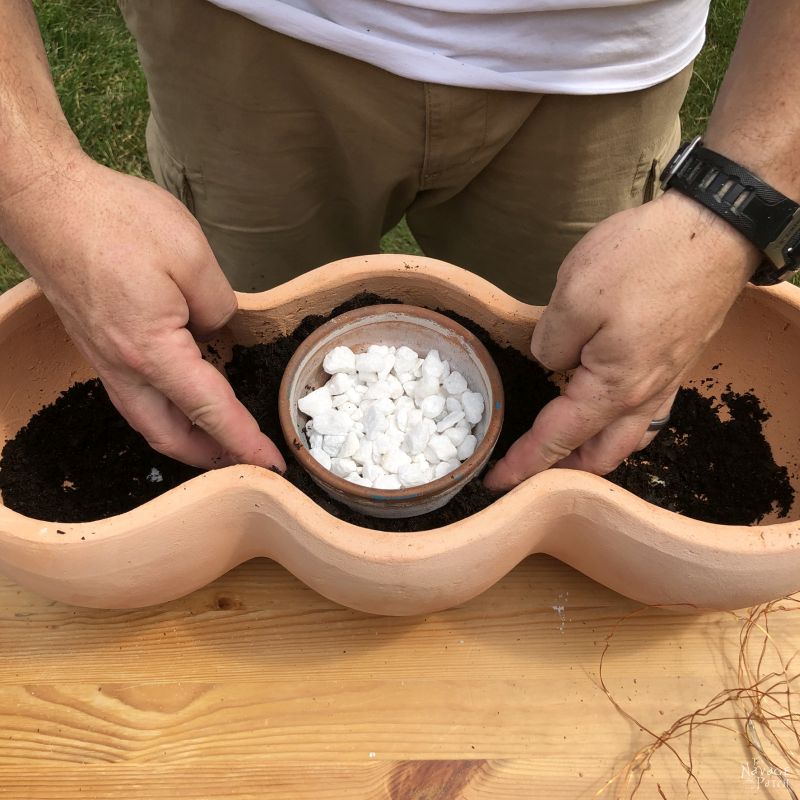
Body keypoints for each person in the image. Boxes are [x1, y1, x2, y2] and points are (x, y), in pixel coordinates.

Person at [0, 0, 797, 492]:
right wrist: (35, 183)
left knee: (578, 382)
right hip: (245, 36)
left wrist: (737, 203)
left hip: (603, 65)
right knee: (226, 357)